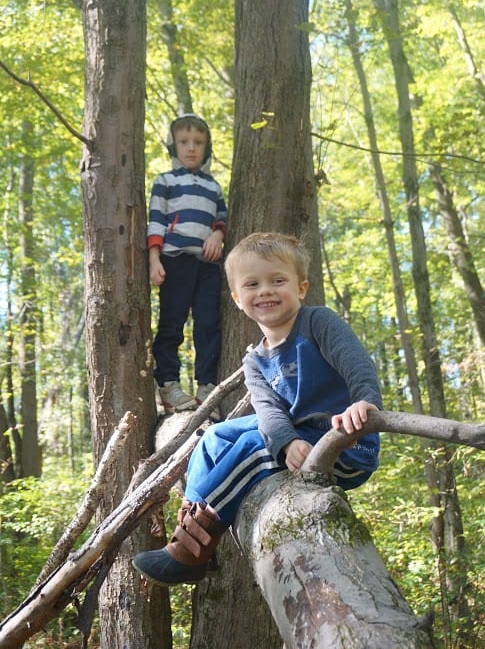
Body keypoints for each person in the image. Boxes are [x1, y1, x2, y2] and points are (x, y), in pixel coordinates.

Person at [133, 232, 383, 585]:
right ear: (238, 299)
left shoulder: (318, 323)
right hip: (297, 433)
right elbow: (268, 412)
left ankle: (188, 550)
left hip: (342, 446)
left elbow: (357, 366)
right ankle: (194, 527)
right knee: (216, 436)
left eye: (277, 281)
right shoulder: (255, 360)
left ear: (301, 288)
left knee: (254, 446)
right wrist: (286, 441)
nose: (265, 291)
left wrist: (364, 402)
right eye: (252, 284)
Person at [147, 114, 227, 414]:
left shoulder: (213, 186)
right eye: (184, 142)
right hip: (175, 260)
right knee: (172, 322)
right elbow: (156, 220)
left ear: (207, 148)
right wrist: (154, 259)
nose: (191, 148)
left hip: (207, 265)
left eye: (198, 142)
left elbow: (222, 218)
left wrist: (217, 235)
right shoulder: (165, 181)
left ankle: (207, 387)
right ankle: (168, 384)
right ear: (174, 146)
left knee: (208, 324)